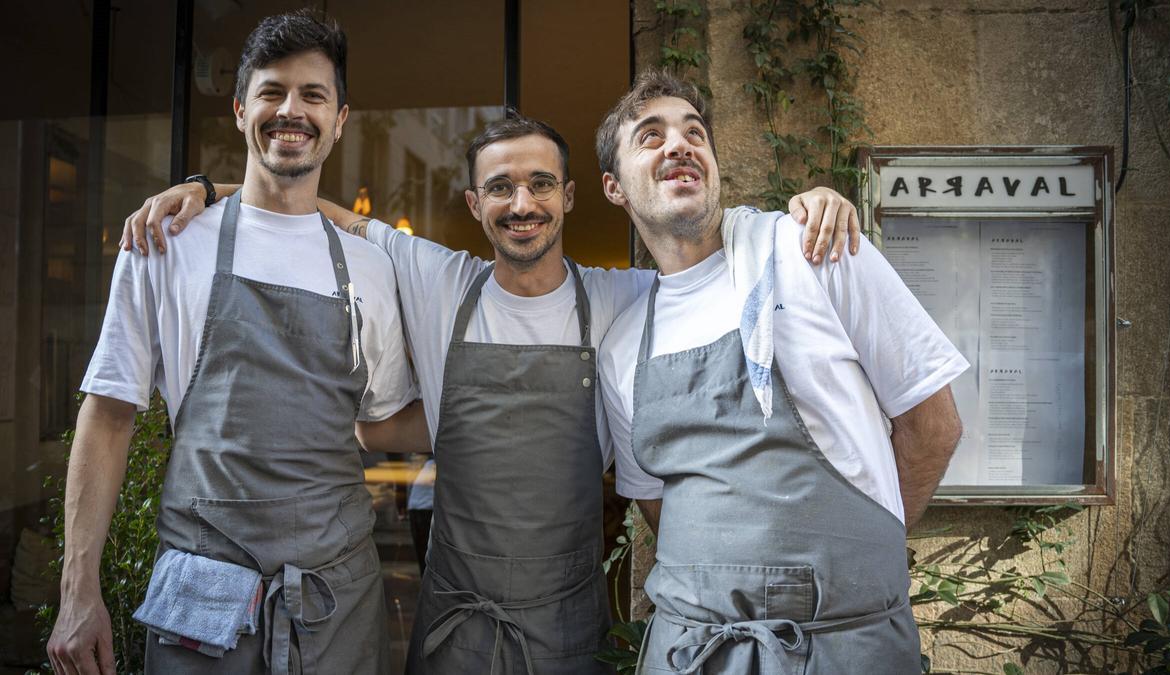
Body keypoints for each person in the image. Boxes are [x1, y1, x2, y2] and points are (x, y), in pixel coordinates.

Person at [123, 113, 860, 672]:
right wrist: (206, 188)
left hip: (568, 624)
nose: (522, 202)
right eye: (501, 187)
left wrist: (806, 208)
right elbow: (311, 208)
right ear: (476, 204)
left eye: (540, 183)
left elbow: (708, 245)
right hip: (454, 625)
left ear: (571, 197)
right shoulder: (441, 280)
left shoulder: (627, 298)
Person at [46, 11, 424, 675]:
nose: (291, 110)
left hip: (337, 610)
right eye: (272, 91)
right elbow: (107, 417)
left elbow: (380, 422)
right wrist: (78, 590)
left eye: (314, 95)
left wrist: (484, 404)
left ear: (339, 120)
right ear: (240, 106)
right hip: (201, 610)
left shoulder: (371, 268)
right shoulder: (164, 246)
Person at [596, 70, 968, 674]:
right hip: (691, 653)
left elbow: (934, 423)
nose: (679, 144)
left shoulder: (815, 251)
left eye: (695, 132)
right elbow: (657, 503)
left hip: (843, 646)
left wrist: (860, 545)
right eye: (650, 136)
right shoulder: (622, 347)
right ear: (615, 188)